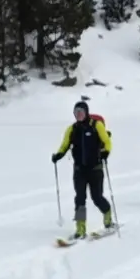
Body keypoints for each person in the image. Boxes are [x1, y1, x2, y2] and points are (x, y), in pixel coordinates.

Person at [53, 100, 114, 239]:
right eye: (76, 112)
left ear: (86, 112)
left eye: (81, 112)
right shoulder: (72, 129)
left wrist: (106, 152)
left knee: (97, 197)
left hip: (95, 169)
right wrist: (58, 155)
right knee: (80, 199)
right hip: (79, 170)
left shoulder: (96, 125)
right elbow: (65, 145)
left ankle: (108, 218)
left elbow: (107, 141)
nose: (79, 114)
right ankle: (80, 229)